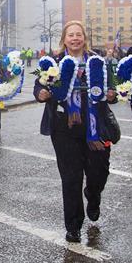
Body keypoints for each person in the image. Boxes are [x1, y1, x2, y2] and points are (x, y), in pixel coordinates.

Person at [35, 20, 118, 243]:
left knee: (98, 172)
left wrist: (112, 94)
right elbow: (39, 84)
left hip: (95, 126)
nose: (74, 38)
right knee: (70, 177)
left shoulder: (98, 62)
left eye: (78, 34)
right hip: (64, 127)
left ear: (84, 38)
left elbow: (113, 87)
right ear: (64, 39)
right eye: (70, 35)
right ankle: (73, 225)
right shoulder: (54, 63)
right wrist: (41, 92)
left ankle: (93, 195)